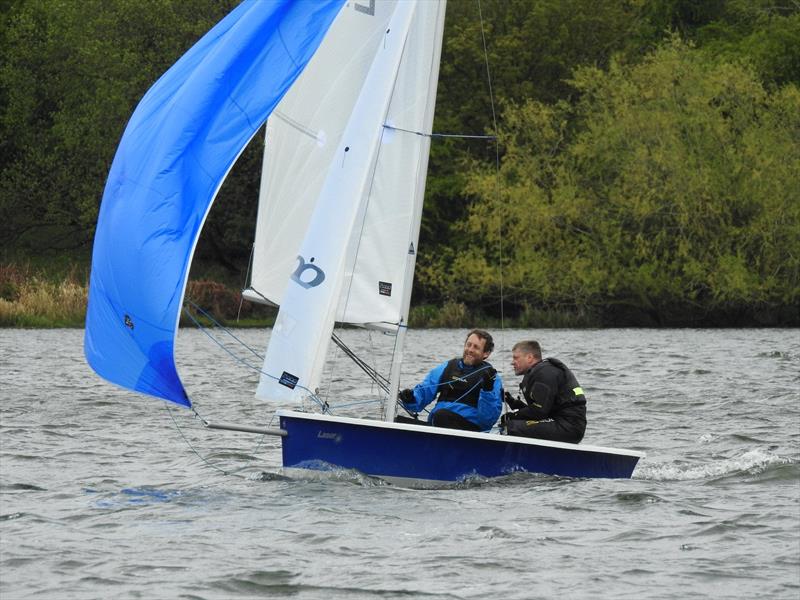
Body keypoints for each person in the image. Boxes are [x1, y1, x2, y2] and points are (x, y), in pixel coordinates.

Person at [396, 329, 502, 432]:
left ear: (486, 353)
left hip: (470, 431)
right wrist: (410, 398)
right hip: (439, 423)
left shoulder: (492, 378)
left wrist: (487, 390)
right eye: (468, 345)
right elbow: (424, 391)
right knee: (398, 421)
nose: (470, 349)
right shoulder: (448, 367)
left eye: (476, 347)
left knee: (441, 416)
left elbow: (487, 420)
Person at [502, 340, 586, 443]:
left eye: (516, 358)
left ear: (529, 357)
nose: (512, 362)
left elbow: (539, 412)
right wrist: (513, 403)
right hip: (560, 421)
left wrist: (515, 415)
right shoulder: (540, 371)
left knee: (511, 426)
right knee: (512, 421)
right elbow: (542, 411)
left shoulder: (545, 373)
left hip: (568, 426)